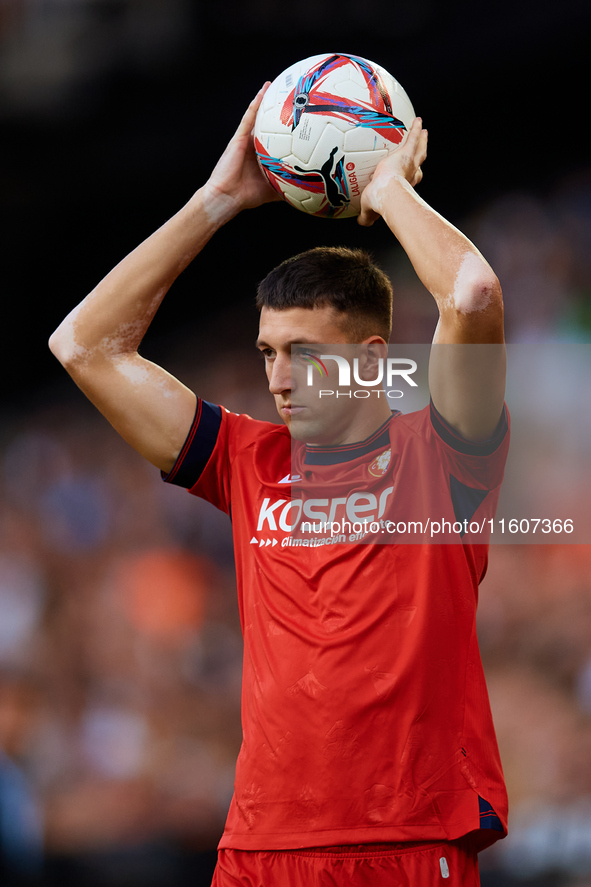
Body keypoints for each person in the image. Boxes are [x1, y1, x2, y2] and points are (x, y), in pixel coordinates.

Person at [49, 82, 508, 886]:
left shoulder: (443, 457)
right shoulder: (245, 460)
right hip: (258, 846)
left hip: (403, 836)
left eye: (303, 351)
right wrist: (217, 199)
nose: (280, 377)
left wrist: (387, 186)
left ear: (371, 358)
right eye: (267, 352)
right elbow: (83, 345)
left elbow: (470, 294)